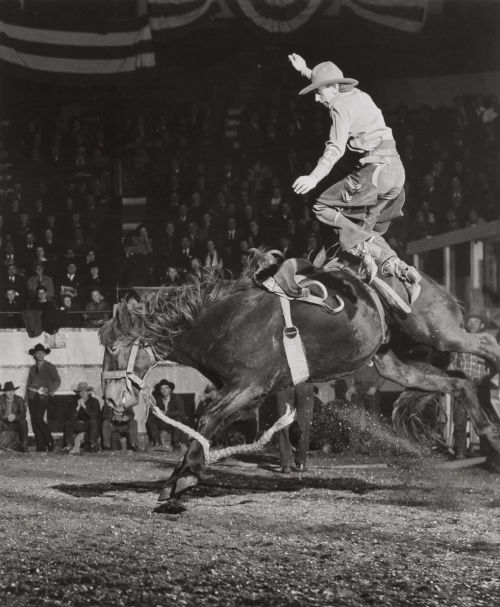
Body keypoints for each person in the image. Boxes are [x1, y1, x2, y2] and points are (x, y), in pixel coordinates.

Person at [288, 54, 421, 304]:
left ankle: (362, 249)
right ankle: (402, 270)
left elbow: (335, 148)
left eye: (319, 93)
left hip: (376, 172)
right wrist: (306, 70)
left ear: (334, 88)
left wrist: (314, 177)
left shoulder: (340, 106)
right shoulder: (360, 95)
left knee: (321, 206)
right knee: (360, 229)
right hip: (396, 173)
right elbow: (328, 82)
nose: (317, 99)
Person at [448, 312, 495, 459]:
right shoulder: (460, 341)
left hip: (481, 385)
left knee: (483, 418)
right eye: (471, 321)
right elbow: (452, 363)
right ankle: (460, 451)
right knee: (460, 418)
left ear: (482, 325)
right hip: (463, 383)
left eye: (476, 321)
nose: (473, 323)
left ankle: (485, 452)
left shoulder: (487, 342)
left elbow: (494, 363)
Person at [26, 343, 61, 451]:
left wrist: (48, 389)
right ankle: (40, 446)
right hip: (32, 397)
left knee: (39, 419)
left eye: (42, 353)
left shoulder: (50, 367)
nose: (40, 355)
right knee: (34, 421)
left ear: (45, 354)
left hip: (43, 397)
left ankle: (50, 441)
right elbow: (28, 384)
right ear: (34, 355)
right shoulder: (32, 368)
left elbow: (57, 381)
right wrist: (25, 399)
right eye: (38, 353)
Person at [146, 379, 188, 450]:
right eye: (162, 388)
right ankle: (157, 442)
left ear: (170, 389)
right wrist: (157, 413)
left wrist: (166, 413)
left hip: (173, 423)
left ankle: (176, 443)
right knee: (150, 420)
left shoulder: (176, 398)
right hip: (163, 422)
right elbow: (152, 412)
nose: (164, 390)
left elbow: (181, 412)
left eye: (166, 388)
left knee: (179, 419)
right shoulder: (158, 400)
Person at [63, 382, 101, 454]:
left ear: (88, 392)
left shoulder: (94, 401)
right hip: (79, 425)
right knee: (68, 423)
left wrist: (84, 406)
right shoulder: (74, 402)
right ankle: (69, 445)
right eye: (80, 392)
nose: (82, 393)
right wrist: (77, 408)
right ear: (78, 393)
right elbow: (70, 417)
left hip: (90, 425)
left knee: (93, 421)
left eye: (84, 391)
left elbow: (94, 416)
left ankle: (93, 445)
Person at [0, 381, 28, 451]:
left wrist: (15, 417)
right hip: (4, 423)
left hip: (16, 423)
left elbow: (23, 413)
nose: (10, 393)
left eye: (12, 391)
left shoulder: (19, 399)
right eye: (8, 391)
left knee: (23, 422)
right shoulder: (0, 399)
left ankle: (24, 446)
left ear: (14, 391)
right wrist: (6, 417)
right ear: (5, 392)